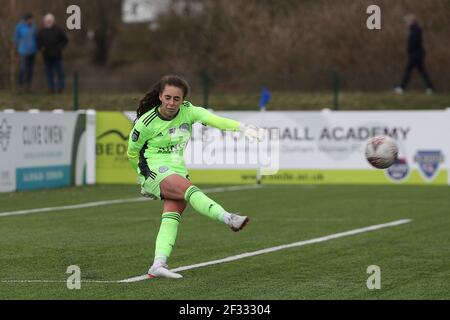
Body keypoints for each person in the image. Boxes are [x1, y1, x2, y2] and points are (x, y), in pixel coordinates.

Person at [127, 75, 265, 279]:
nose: (171, 103)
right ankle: (229, 218)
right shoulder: (146, 122)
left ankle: (158, 263)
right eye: (167, 97)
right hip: (154, 169)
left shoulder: (188, 111)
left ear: (183, 100)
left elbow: (214, 120)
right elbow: (132, 153)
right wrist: (142, 179)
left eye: (176, 98)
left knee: (172, 215)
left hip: (177, 169)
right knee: (189, 190)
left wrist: (242, 128)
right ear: (160, 96)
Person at [394, 14, 434, 94]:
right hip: (416, 54)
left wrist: (409, 50)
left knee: (408, 71)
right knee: (422, 71)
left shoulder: (416, 30)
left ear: (412, 21)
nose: (406, 23)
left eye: (407, 21)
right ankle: (430, 88)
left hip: (415, 54)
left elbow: (414, 43)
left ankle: (402, 88)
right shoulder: (414, 29)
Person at [36, 13, 69, 93]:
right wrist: (41, 48)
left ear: (53, 21)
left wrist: (60, 47)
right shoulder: (41, 31)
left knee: (60, 73)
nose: (48, 22)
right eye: (46, 21)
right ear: (44, 22)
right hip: (46, 56)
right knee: (49, 74)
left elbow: (65, 40)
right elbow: (38, 42)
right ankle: (51, 88)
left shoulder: (59, 30)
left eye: (50, 21)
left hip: (57, 56)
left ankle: (61, 88)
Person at [13, 13, 38, 93]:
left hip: (33, 51)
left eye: (32, 19)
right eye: (29, 19)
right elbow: (16, 38)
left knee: (30, 70)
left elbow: (35, 37)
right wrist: (19, 46)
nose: (31, 20)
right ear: (26, 19)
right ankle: (20, 86)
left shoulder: (33, 27)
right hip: (23, 51)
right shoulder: (19, 27)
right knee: (23, 69)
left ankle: (28, 87)